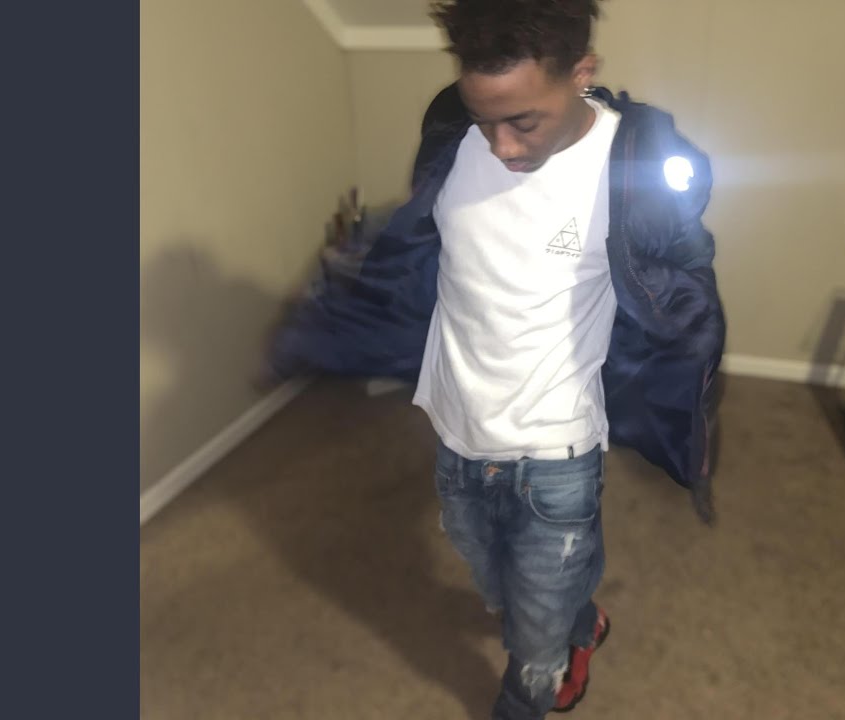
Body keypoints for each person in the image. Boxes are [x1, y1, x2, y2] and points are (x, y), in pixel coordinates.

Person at [269, 1, 725, 716]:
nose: (503, 147)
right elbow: (420, 245)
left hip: (556, 451)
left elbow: (684, 299)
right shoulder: (451, 132)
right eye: (486, 120)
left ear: (581, 72)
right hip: (455, 429)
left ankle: (535, 681)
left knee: (531, 645)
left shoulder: (629, 171)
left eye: (524, 122)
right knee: (500, 587)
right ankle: (582, 619)